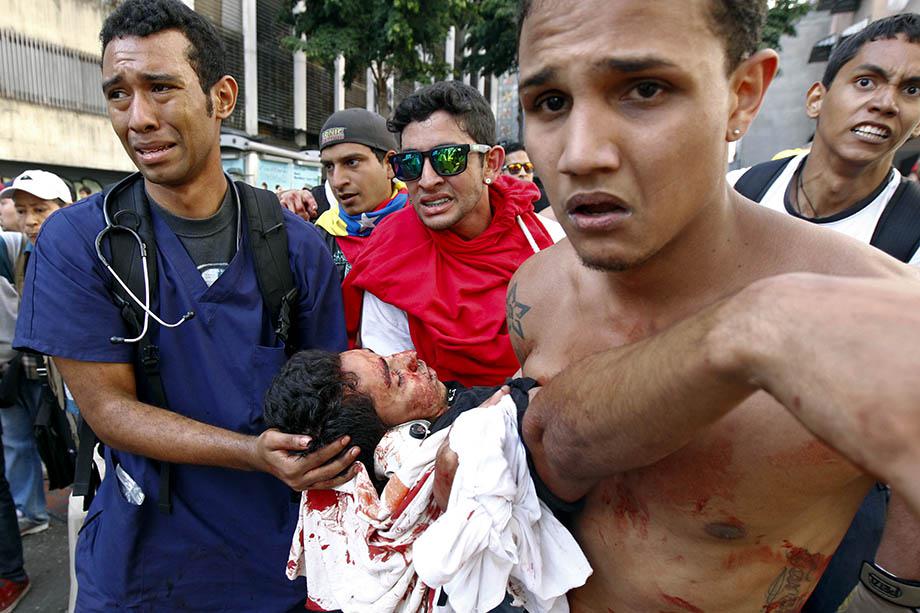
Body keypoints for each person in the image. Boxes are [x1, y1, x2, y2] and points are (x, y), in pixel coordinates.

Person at [510, 0, 919, 610]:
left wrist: (887, 597)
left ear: (742, 96)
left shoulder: (879, 307)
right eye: (550, 102)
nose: (579, 154)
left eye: (644, 90)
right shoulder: (535, 288)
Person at [12, 1, 353, 610]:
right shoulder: (79, 242)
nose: (138, 117)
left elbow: (324, 390)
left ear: (221, 98)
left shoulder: (297, 247)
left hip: (277, 565)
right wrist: (250, 452)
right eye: (118, 94)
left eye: (161, 88)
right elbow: (109, 409)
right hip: (141, 567)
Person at [729, 14, 920, 610]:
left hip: (838, 515)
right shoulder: (738, 193)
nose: (887, 103)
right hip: (709, 490)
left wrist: (891, 589)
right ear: (818, 96)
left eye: (912, 90)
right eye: (867, 81)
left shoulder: (912, 237)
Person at [342, 81, 563, 387]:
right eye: (411, 163)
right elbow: (397, 392)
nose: (428, 180)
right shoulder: (388, 259)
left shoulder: (550, 244)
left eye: (448, 158)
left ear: (492, 164)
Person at [0, 170, 73, 538]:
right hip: (28, 367)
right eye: (22, 210)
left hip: (72, 373)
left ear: (66, 207)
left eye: (40, 209)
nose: (31, 221)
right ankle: (31, 510)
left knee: (77, 438)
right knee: (18, 442)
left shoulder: (83, 250)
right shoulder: (21, 253)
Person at [311, 108, 407, 282]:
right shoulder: (316, 237)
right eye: (329, 167)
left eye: (352, 162)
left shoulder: (426, 225)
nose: (337, 181)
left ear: (390, 164)